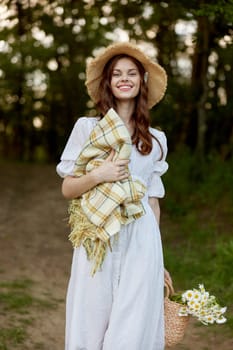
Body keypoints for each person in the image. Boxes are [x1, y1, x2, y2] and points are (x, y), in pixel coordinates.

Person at [56, 42, 172, 350]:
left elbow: (152, 201)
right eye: (117, 73)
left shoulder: (156, 139)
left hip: (141, 239)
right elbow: (68, 188)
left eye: (132, 73)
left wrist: (156, 261)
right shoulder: (88, 128)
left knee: (133, 327)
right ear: (108, 82)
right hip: (98, 236)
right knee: (89, 321)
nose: (124, 78)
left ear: (141, 81)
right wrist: (98, 175)